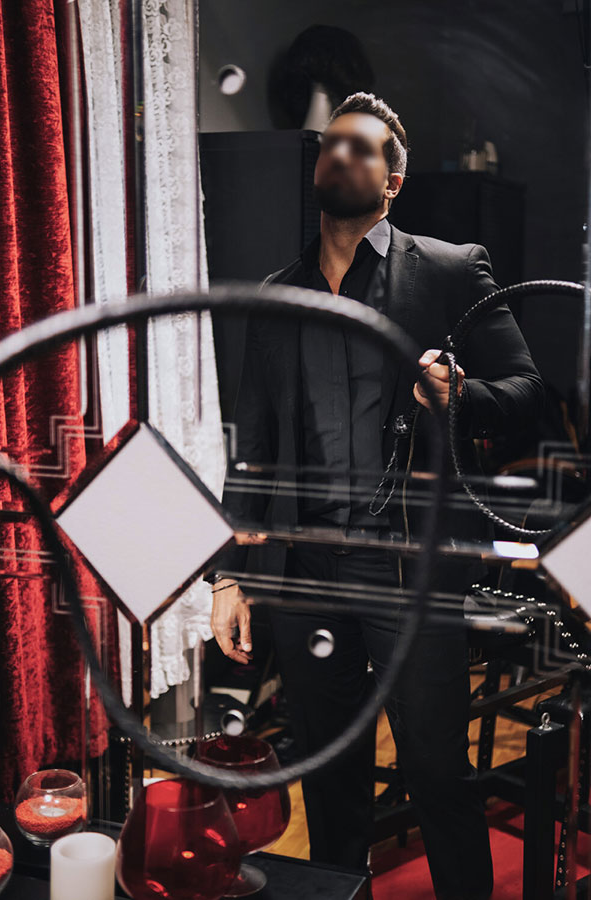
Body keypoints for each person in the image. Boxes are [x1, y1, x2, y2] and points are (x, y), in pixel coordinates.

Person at [204, 92, 544, 900]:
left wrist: (461, 394)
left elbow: (529, 391)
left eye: (363, 147)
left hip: (410, 570)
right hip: (309, 572)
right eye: (333, 143)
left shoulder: (451, 269)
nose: (341, 154)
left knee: (436, 770)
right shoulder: (278, 293)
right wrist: (229, 574)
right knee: (331, 774)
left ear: (392, 183)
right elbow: (254, 448)